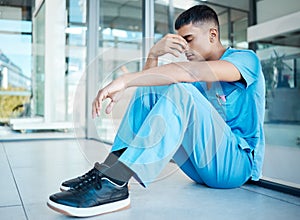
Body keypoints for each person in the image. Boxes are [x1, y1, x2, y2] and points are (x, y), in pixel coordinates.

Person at [47, 5, 265, 217]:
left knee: (180, 89)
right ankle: (109, 171)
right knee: (154, 88)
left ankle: (116, 182)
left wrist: (125, 80)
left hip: (235, 166)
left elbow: (192, 72)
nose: (185, 50)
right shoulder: (197, 83)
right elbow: (152, 87)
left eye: (188, 40)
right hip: (199, 169)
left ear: (212, 34)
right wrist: (153, 55)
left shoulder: (245, 59)